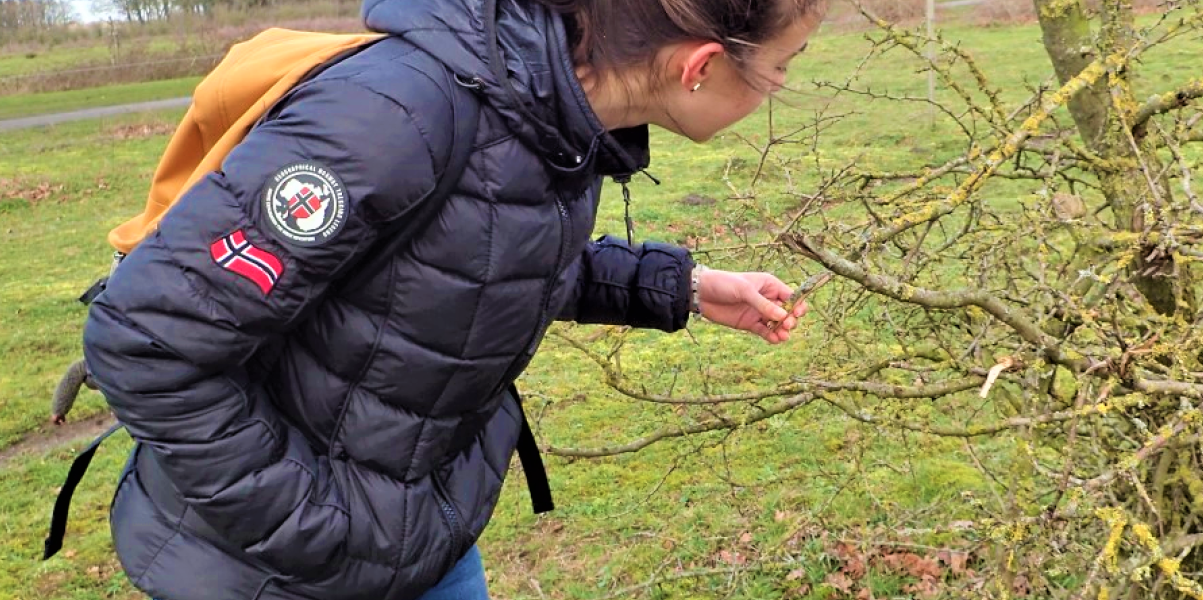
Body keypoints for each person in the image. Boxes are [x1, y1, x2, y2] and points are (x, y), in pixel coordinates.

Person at [80, 0, 824, 597]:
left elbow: (481, 256)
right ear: (698, 66)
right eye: (780, 70)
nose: (779, 89)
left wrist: (681, 287)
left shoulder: (555, 114)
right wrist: (319, 529)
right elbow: (148, 342)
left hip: (419, 534)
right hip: (273, 567)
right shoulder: (389, 119)